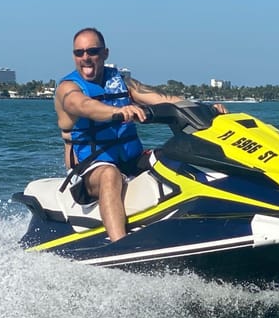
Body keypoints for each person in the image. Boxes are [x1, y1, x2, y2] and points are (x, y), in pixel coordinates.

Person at [55, 27, 226, 242]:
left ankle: (206, 219)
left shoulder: (122, 82)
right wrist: (117, 111)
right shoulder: (68, 89)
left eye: (92, 51)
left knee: (176, 156)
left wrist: (205, 109)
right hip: (90, 167)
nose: (86, 57)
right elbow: (84, 106)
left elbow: (163, 98)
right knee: (109, 174)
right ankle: (120, 244)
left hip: (131, 160)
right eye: (79, 52)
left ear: (105, 53)